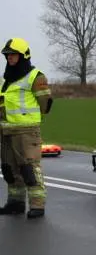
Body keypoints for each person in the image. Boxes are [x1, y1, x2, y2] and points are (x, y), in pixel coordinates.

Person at [1, 37, 53, 218]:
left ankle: (37, 206)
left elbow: (45, 105)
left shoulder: (36, 77)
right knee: (10, 169)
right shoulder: (6, 80)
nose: (9, 58)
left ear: (23, 56)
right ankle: (15, 203)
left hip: (27, 131)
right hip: (7, 131)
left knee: (30, 169)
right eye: (7, 55)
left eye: (13, 55)